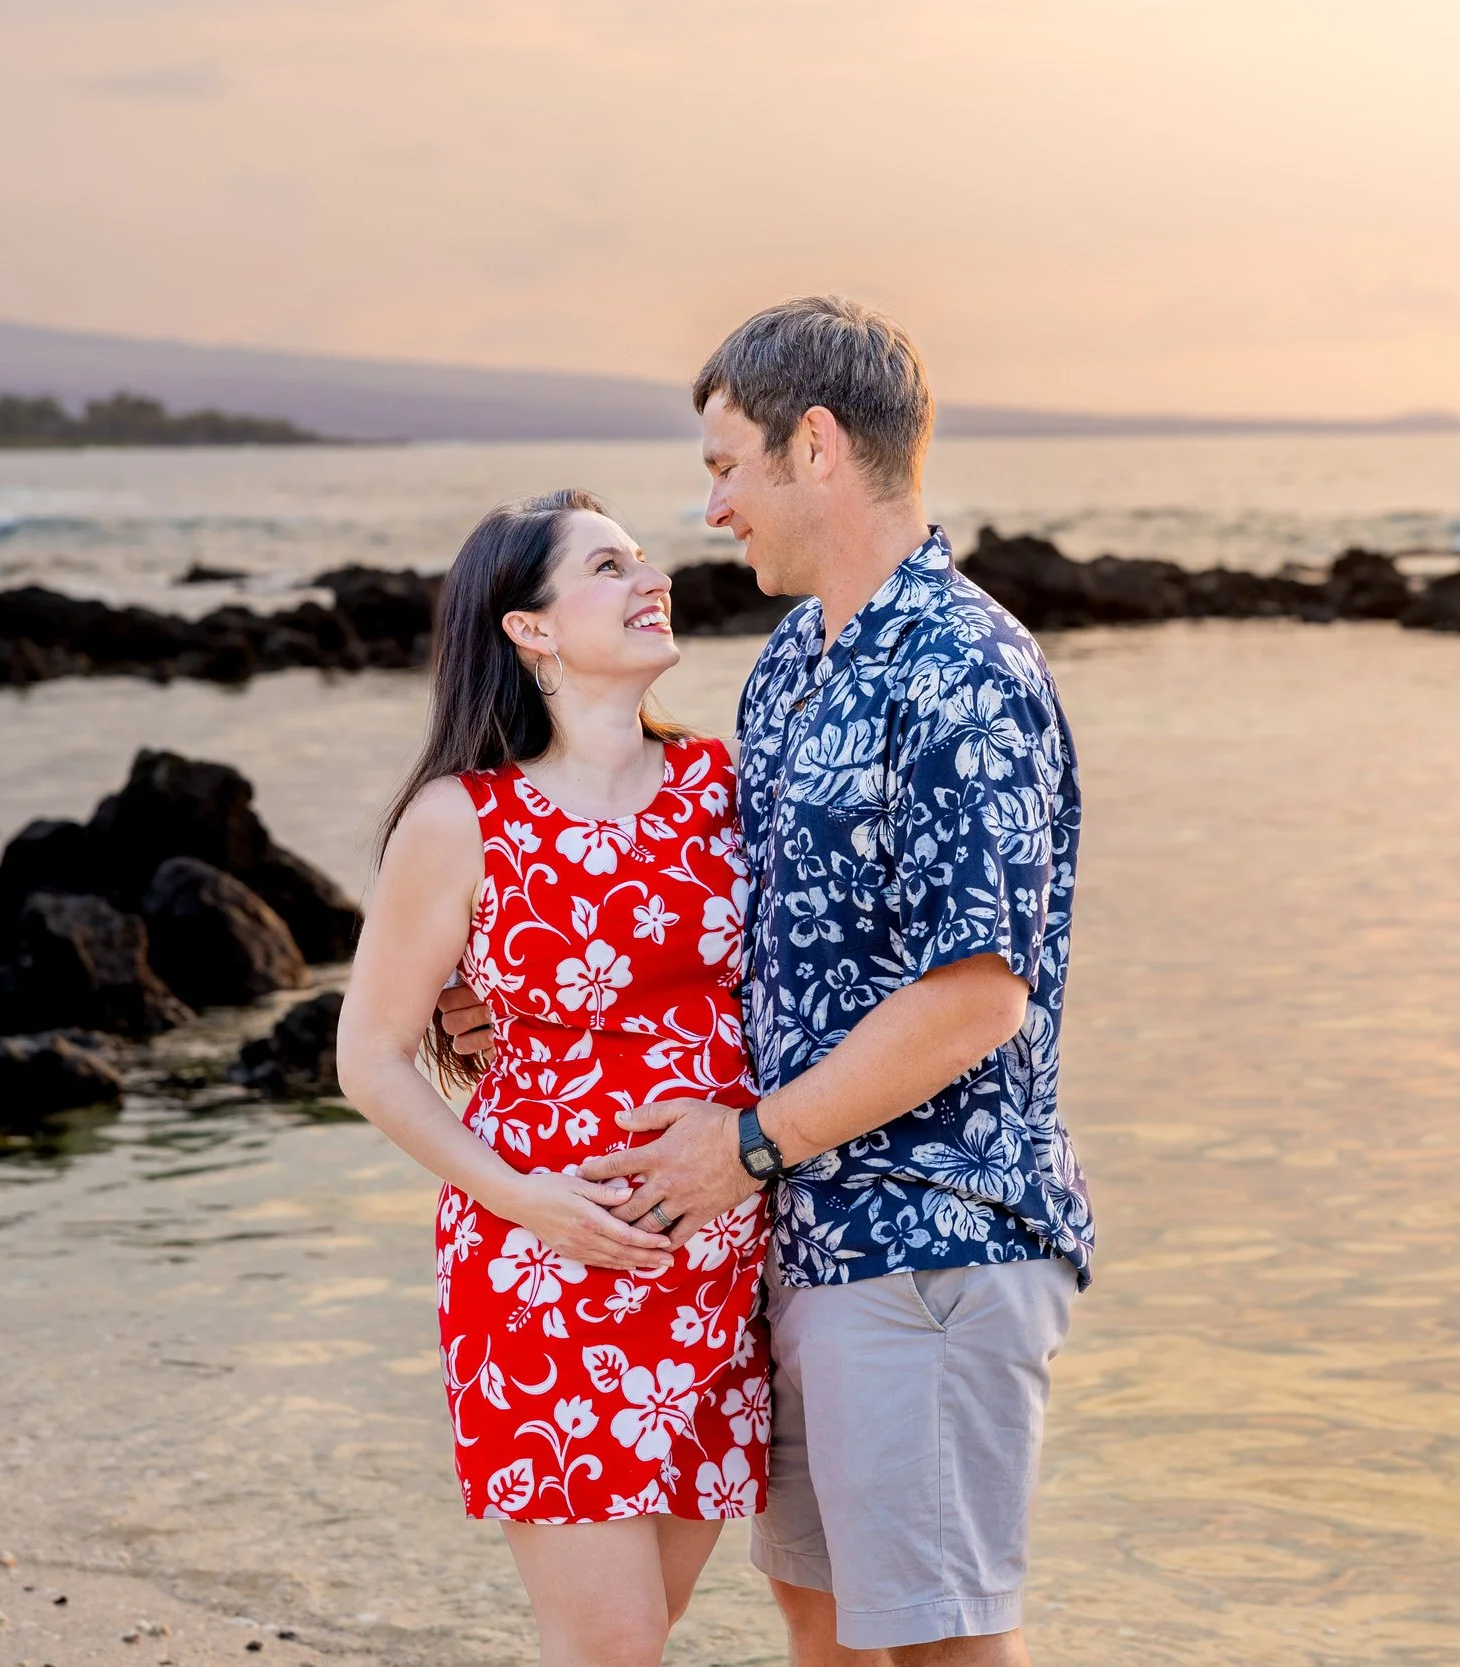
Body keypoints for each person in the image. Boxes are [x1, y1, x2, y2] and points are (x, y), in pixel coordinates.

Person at [449, 299, 1092, 1666]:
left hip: (929, 1232)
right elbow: (724, 932)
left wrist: (745, 1142)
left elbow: (979, 993)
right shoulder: (796, 667)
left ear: (815, 444)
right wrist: (522, 1000)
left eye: (727, 464)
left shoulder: (963, 672)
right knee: (830, 1625)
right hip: (795, 1244)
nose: (715, 504)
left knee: (939, 1641)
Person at [335, 490, 771, 1667]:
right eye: (607, 565)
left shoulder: (726, 786)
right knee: (614, 1644)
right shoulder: (461, 820)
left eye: (644, 558)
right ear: (529, 628)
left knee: (643, 1629)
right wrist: (520, 1196)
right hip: (542, 1272)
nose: (651, 577)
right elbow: (368, 1057)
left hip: (719, 1270)